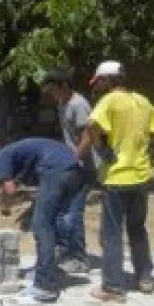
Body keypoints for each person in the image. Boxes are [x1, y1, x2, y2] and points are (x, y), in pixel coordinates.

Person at [76, 60, 154, 302]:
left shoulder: (109, 101)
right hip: (141, 175)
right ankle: (145, 277)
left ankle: (113, 286)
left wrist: (101, 147)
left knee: (112, 232)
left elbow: (92, 124)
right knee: (137, 229)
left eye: (99, 82)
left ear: (106, 80)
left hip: (117, 176)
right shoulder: (141, 100)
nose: (98, 87)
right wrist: (144, 145)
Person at [0, 137, 87, 303]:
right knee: (55, 220)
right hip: (74, 170)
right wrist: (29, 210)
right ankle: (50, 269)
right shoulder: (20, 152)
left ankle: (45, 285)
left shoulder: (1, 156)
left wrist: (6, 205)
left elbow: (9, 189)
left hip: (56, 168)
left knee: (42, 226)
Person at [42, 68, 94, 272]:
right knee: (61, 211)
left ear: (64, 86)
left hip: (82, 166)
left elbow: (87, 138)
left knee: (72, 213)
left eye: (53, 91)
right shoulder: (63, 104)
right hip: (69, 166)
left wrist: (73, 161)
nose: (51, 96)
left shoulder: (78, 105)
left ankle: (79, 258)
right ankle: (64, 250)